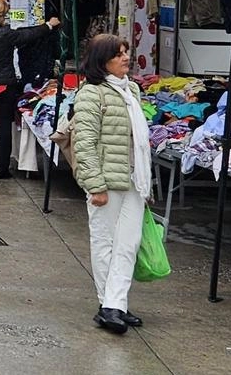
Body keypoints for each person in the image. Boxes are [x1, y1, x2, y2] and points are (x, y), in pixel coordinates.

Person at [73, 35, 152, 335]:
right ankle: (108, 304)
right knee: (105, 243)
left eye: (125, 53)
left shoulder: (131, 89)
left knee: (128, 245)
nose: (125, 58)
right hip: (106, 181)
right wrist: (95, 185)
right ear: (101, 60)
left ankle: (116, 302)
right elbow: (85, 144)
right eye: (118, 54)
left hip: (133, 180)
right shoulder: (91, 94)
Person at [0, 0, 59, 178]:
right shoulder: (6, 34)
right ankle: (2, 169)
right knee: (4, 125)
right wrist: (48, 26)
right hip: (5, 84)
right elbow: (27, 36)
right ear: (0, 14)